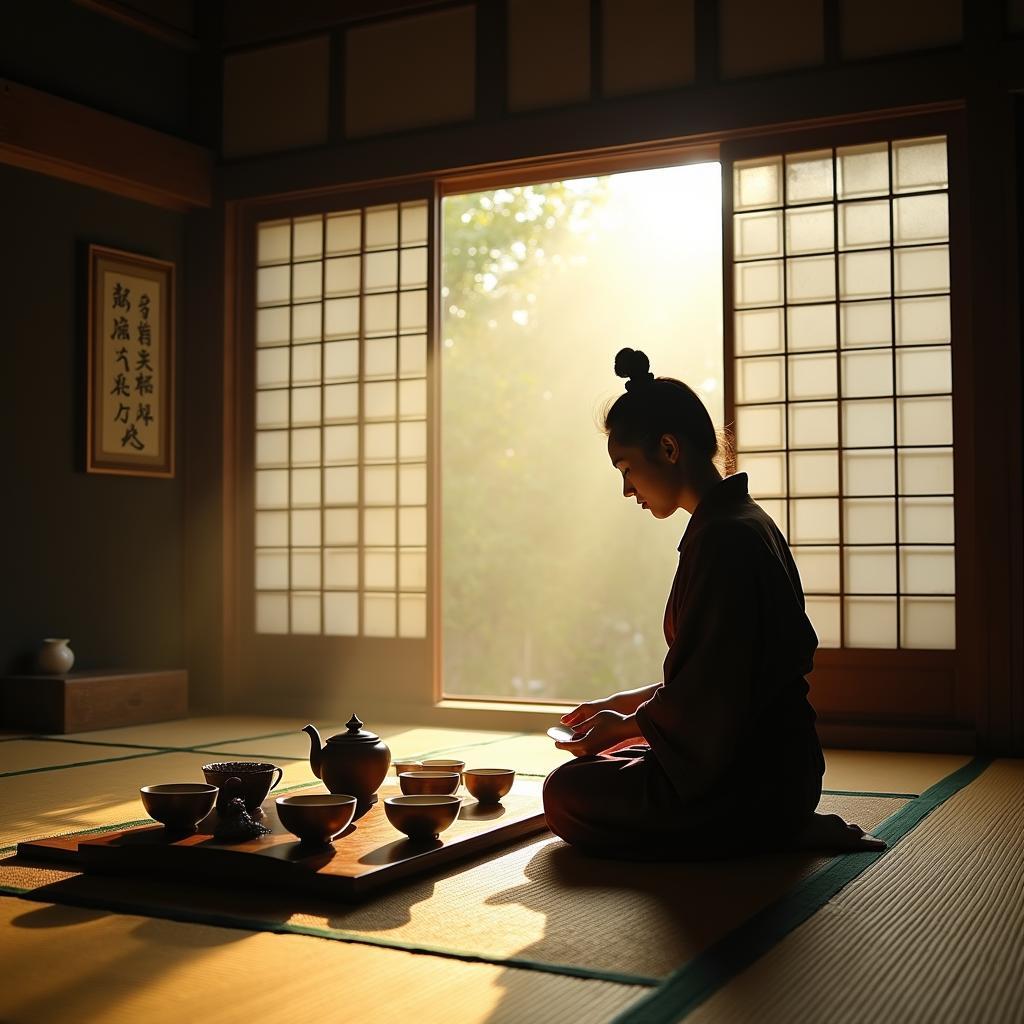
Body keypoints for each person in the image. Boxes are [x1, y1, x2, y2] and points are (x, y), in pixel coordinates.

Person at [542, 348, 887, 860]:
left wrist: (628, 723)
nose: (625, 489)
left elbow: (712, 690)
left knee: (565, 794)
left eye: (627, 468)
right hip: (771, 765)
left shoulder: (724, 537)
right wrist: (621, 706)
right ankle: (774, 825)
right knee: (611, 757)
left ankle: (767, 832)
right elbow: (717, 675)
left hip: (748, 781)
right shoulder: (740, 522)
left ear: (668, 448)